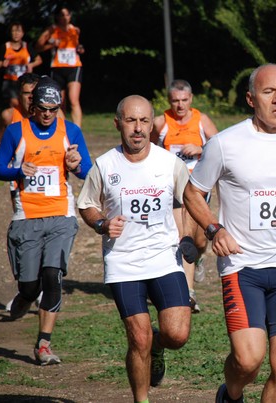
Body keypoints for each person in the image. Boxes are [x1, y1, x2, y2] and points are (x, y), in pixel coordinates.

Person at [184, 63, 276, 403]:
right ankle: (231, 394)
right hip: (242, 266)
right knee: (248, 360)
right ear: (252, 99)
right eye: (269, 92)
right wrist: (214, 229)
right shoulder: (225, 144)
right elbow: (192, 193)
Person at [77, 95, 193, 403]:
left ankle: (158, 347)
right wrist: (102, 224)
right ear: (118, 124)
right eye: (131, 121)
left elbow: (191, 201)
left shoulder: (170, 163)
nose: (138, 129)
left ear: (151, 125)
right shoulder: (104, 165)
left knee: (177, 335)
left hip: (164, 258)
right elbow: (87, 204)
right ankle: (141, 399)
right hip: (123, 261)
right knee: (138, 337)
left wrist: (191, 236)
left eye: (144, 121)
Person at [0, 76, 92, 366]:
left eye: (54, 108)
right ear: (33, 106)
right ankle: (24, 296)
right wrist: (18, 170)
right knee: (31, 285)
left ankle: (43, 343)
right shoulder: (15, 131)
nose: (48, 114)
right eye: (43, 108)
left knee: (53, 275)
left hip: (62, 213)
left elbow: (86, 170)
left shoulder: (70, 131)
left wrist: (77, 165)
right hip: (27, 216)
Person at [150, 79, 219, 313]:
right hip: (173, 188)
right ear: (169, 101)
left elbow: (220, 147)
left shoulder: (202, 120)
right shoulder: (161, 123)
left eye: (184, 100)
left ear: (191, 99)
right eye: (175, 101)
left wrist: (200, 149)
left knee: (200, 241)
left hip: (199, 188)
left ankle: (198, 259)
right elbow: (147, 150)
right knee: (183, 238)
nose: (180, 105)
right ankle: (188, 294)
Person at [35, 5, 84, 127]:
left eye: (67, 14)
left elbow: (76, 46)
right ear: (57, 17)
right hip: (57, 67)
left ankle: (77, 130)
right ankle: (62, 127)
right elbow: (38, 47)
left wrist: (80, 48)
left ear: (70, 16)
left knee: (73, 99)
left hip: (74, 67)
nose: (65, 17)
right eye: (62, 15)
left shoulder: (75, 30)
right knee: (59, 101)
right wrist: (52, 45)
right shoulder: (52, 30)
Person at [0, 73, 65, 152]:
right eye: (26, 93)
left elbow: (65, 140)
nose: (31, 97)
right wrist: (11, 163)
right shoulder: (8, 116)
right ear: (19, 95)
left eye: (34, 92)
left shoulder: (55, 114)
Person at [0, 22, 42, 108]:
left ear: (23, 33)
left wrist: (31, 65)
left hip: (25, 81)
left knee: (25, 103)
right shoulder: (5, 47)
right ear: (10, 33)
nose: (16, 34)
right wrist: (3, 63)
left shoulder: (27, 46)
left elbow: (39, 60)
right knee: (14, 103)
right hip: (10, 81)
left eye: (19, 31)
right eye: (13, 31)